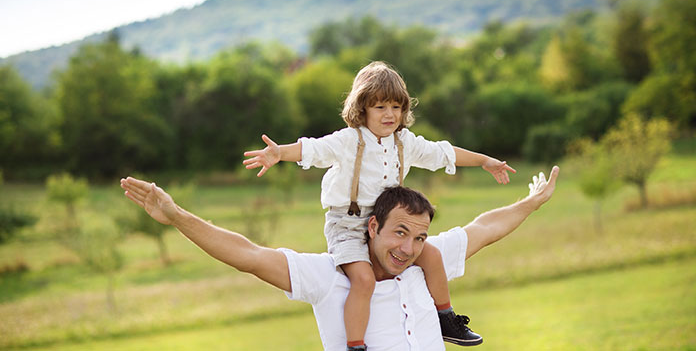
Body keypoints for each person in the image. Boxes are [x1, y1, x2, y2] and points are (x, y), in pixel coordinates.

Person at [119, 166, 559, 351]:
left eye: (419, 237)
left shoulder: (428, 261)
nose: (408, 248)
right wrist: (177, 217)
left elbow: (485, 227)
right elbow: (248, 255)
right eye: (400, 233)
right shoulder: (330, 276)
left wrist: (533, 202)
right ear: (373, 227)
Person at [242, 61, 516, 349]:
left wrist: (485, 160)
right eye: (380, 107)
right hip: (347, 225)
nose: (390, 114)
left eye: (396, 107)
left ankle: (445, 317)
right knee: (363, 279)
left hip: (384, 225)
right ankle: (356, 345)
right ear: (362, 109)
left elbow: (442, 154)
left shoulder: (404, 142)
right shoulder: (350, 140)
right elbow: (314, 149)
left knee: (432, 257)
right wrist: (279, 153)